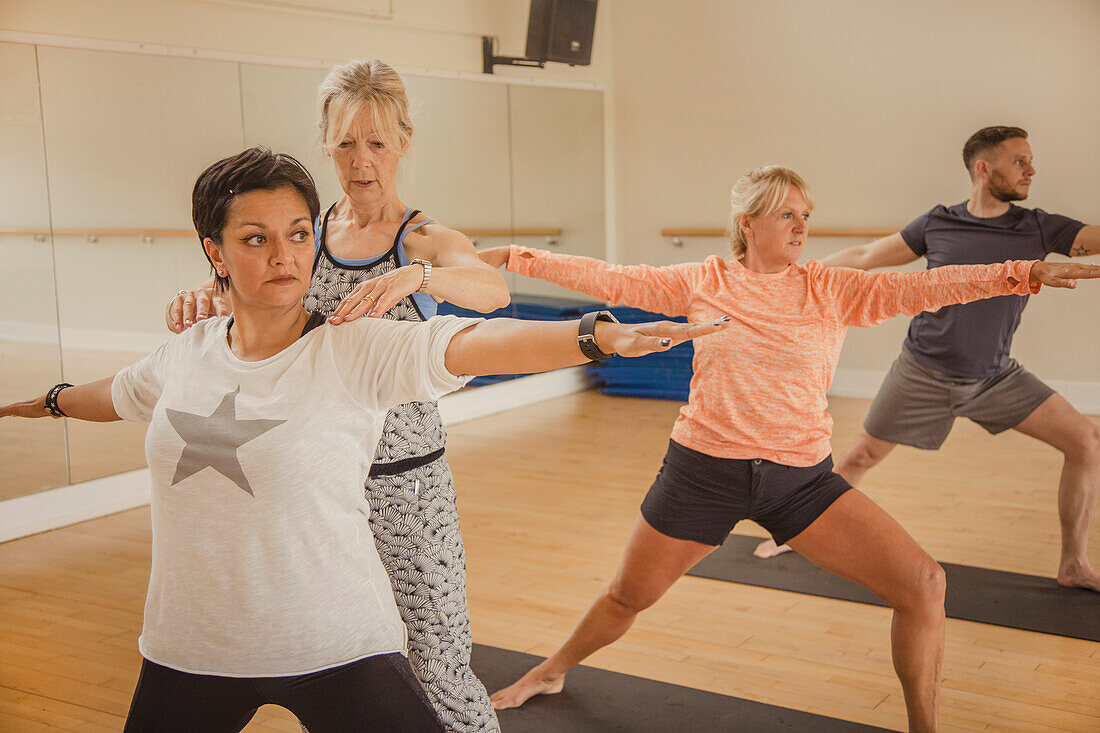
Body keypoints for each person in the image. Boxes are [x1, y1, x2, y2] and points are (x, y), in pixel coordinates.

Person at [0, 147, 724, 733]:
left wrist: (593, 334)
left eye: (297, 234)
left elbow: (479, 342)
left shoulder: (354, 347)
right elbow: (116, 393)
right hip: (192, 647)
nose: (284, 255)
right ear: (214, 253)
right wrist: (38, 404)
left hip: (339, 641)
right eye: (255, 238)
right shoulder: (186, 352)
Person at [469, 165, 1100, 732]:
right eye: (787, 214)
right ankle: (551, 669)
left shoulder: (831, 287)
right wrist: (516, 256)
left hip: (801, 482)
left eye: (806, 215)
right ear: (748, 224)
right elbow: (608, 277)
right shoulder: (702, 280)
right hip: (701, 474)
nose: (801, 227)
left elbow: (925, 289)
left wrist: (1026, 271)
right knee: (625, 598)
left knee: (925, 584)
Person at [165, 59, 513, 731]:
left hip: (404, 489)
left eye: (378, 142)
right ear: (324, 140)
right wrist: (200, 300)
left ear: (404, 143)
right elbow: (250, 307)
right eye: (347, 142)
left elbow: (493, 292)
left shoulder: (420, 237)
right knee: (343, 664)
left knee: (439, 660)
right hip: (321, 493)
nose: (361, 161)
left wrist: (420, 276)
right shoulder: (307, 235)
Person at [750, 127, 1100, 591]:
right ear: (984, 168)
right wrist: (795, 277)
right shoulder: (939, 222)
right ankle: (800, 533)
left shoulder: (1036, 227)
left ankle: (1073, 564)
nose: (1031, 170)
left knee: (1086, 442)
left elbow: (1093, 239)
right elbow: (867, 255)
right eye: (1019, 162)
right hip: (921, 372)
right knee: (861, 454)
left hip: (995, 376)